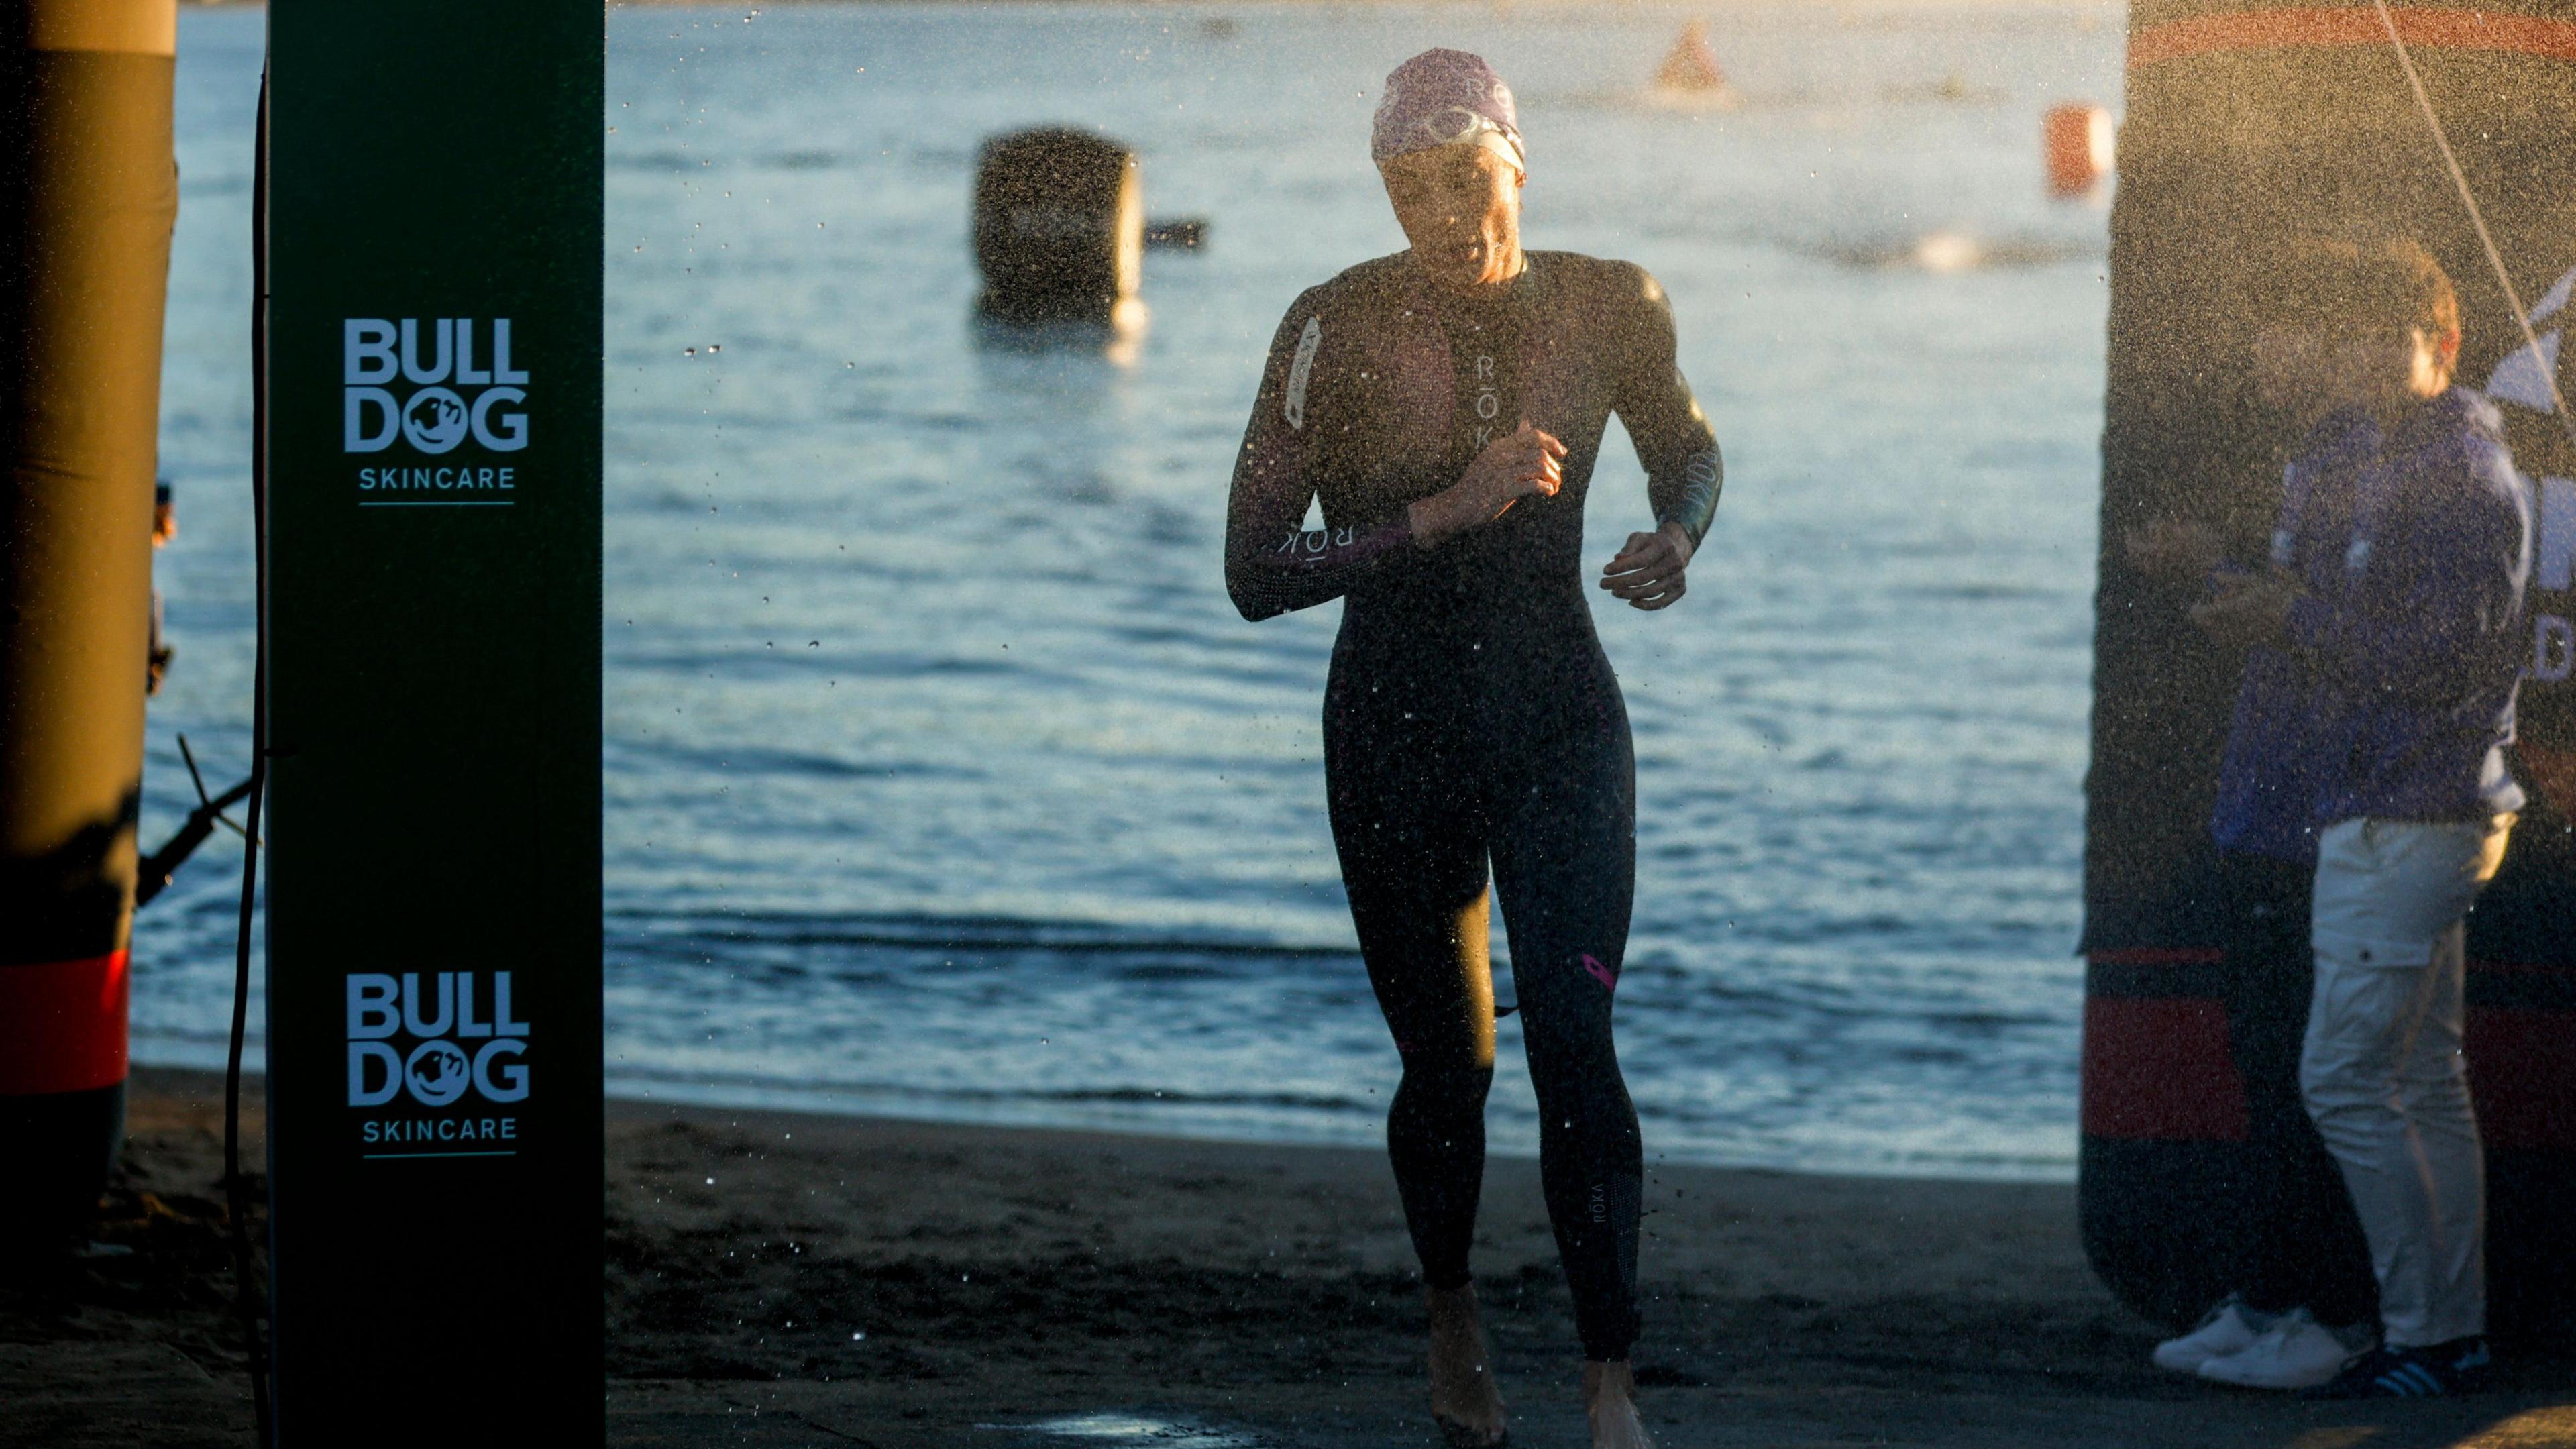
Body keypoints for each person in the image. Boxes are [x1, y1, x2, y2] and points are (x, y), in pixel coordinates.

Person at [1224, 48, 1721, 1449]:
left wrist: (1680, 531)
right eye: (1411, 192)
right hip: (1395, 734)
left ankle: (1609, 1391)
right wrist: (1439, 515)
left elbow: (1688, 447)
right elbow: (1254, 569)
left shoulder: (1611, 302)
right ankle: (1455, 1328)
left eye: (1468, 181)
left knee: (1578, 1042)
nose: (1446, 216)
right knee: (1453, 1069)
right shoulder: (1332, 324)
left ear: (1519, 164)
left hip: (1561, 721)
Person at [2192, 238, 2530, 1399]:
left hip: (2416, 808)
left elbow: (2439, 666)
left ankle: (2414, 1336)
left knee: (2342, 1079)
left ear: (2439, 345)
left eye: (2382, 341)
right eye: (2348, 342)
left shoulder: (2473, 478)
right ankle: (2447, 1335)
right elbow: (2358, 620)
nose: (2357, 364)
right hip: (2377, 810)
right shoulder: (2369, 451)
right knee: (2422, 1079)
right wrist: (2264, 594)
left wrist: (2287, 614)